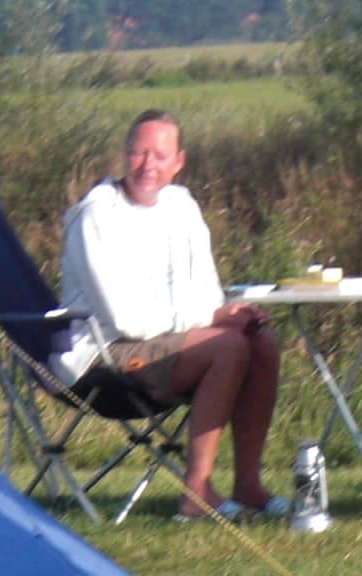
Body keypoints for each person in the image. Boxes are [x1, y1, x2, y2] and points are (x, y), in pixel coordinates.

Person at [57, 112, 285, 521]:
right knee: (227, 344)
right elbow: (126, 320)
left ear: (179, 162)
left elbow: (206, 289)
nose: (148, 165)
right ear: (124, 155)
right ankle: (196, 492)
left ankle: (248, 485)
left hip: (169, 342)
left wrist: (226, 313)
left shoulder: (182, 206)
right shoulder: (96, 217)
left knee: (260, 342)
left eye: (160, 156)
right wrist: (214, 317)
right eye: (139, 153)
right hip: (104, 354)